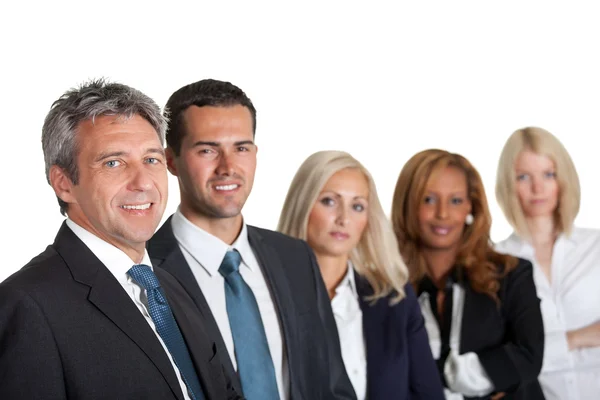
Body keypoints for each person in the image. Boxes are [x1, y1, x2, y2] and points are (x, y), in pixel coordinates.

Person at [0, 79, 240, 399]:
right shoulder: (26, 306)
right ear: (64, 183)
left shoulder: (172, 286)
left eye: (151, 159)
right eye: (114, 162)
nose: (142, 183)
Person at [147, 79, 355, 400]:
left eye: (241, 148)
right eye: (207, 150)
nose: (228, 167)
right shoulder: (144, 269)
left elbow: (333, 385)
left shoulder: (295, 257)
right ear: (170, 161)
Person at [277, 150, 445, 400]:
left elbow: (429, 395)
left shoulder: (394, 298)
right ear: (303, 203)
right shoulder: (266, 292)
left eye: (357, 206)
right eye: (329, 201)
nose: (344, 218)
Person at [391, 149, 545, 399]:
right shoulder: (386, 288)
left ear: (470, 207)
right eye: (428, 199)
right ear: (408, 205)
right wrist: (493, 375)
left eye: (455, 200)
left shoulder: (511, 274)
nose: (443, 214)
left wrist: (434, 374)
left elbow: (528, 356)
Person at [495, 126, 600, 400]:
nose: (537, 188)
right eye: (523, 177)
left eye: (548, 174)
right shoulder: (496, 262)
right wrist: (577, 339)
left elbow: (526, 354)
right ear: (509, 184)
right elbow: (503, 360)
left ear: (563, 178)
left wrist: (538, 351)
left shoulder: (596, 247)